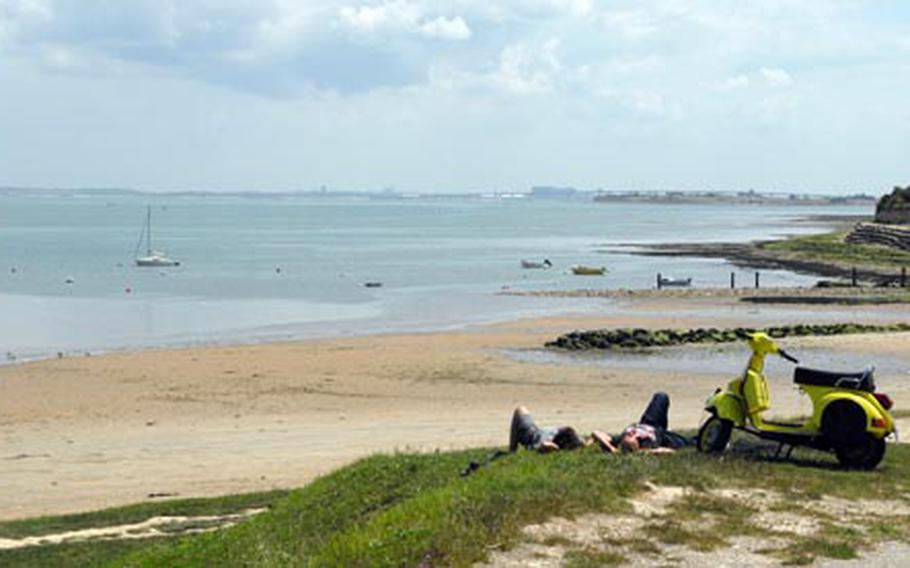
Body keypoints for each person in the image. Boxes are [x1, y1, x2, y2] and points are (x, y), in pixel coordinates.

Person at [592, 392, 691, 454]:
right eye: (633, 438)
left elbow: (596, 433)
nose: (632, 433)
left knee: (661, 396)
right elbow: (669, 452)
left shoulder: (618, 440)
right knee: (694, 443)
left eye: (628, 435)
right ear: (638, 445)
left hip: (649, 421)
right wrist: (645, 452)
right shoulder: (647, 445)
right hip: (662, 435)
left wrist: (611, 448)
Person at [509, 406, 590, 453]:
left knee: (520, 410)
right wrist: (556, 448)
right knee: (520, 410)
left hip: (531, 436)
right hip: (532, 434)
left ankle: (511, 451)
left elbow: (596, 434)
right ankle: (512, 449)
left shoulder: (574, 438)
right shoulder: (546, 439)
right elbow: (544, 444)